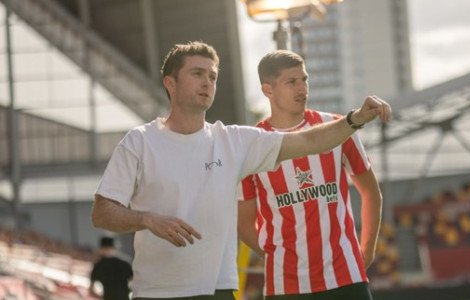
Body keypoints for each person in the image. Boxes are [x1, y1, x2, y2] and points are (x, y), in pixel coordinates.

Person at [91, 41, 391, 300]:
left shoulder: (234, 140)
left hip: (219, 290)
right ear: (171, 83)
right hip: (155, 292)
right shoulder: (139, 141)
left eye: (212, 76)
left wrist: (355, 119)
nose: (207, 82)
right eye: (197, 74)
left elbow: (310, 140)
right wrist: (146, 219)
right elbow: (102, 212)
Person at [237, 50, 382, 300]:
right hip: (285, 284)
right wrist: (276, 255)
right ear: (267, 90)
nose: (302, 88)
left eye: (304, 79)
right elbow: (244, 222)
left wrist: (366, 251)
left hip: (346, 276)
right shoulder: (252, 146)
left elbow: (371, 192)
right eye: (291, 82)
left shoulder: (340, 127)